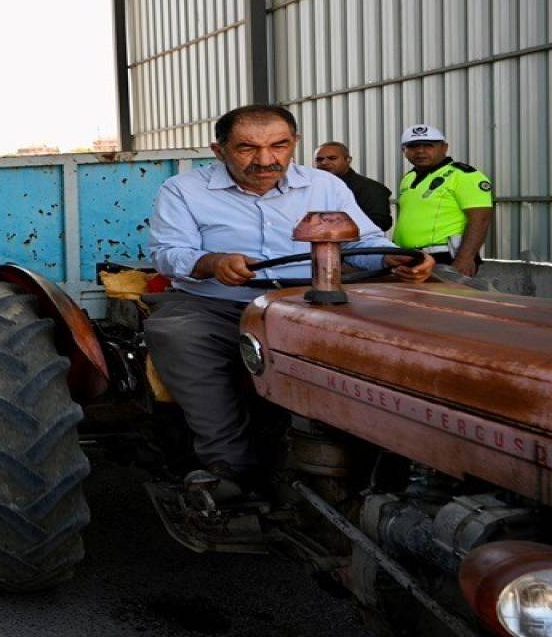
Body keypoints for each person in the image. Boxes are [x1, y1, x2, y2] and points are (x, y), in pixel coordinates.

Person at [145, 105, 434, 501]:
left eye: (279, 146)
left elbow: (361, 244)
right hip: (216, 304)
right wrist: (211, 263)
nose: (266, 160)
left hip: (310, 298)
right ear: (219, 150)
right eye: (247, 148)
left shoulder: (325, 186)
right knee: (176, 334)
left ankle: (381, 462)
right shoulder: (182, 190)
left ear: (294, 143)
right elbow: (167, 252)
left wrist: (393, 257)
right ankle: (228, 466)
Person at [393, 124, 494, 277]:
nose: (420, 151)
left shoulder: (464, 175)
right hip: (410, 257)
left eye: (428, 146)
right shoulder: (409, 178)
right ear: (404, 150)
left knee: (445, 300)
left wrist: (465, 259)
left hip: (446, 258)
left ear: (444, 147)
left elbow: (481, 219)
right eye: (413, 146)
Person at [313, 141, 393, 230]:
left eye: (332, 158)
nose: (324, 162)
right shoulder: (312, 188)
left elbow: (381, 223)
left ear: (348, 160)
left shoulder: (372, 189)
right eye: (319, 159)